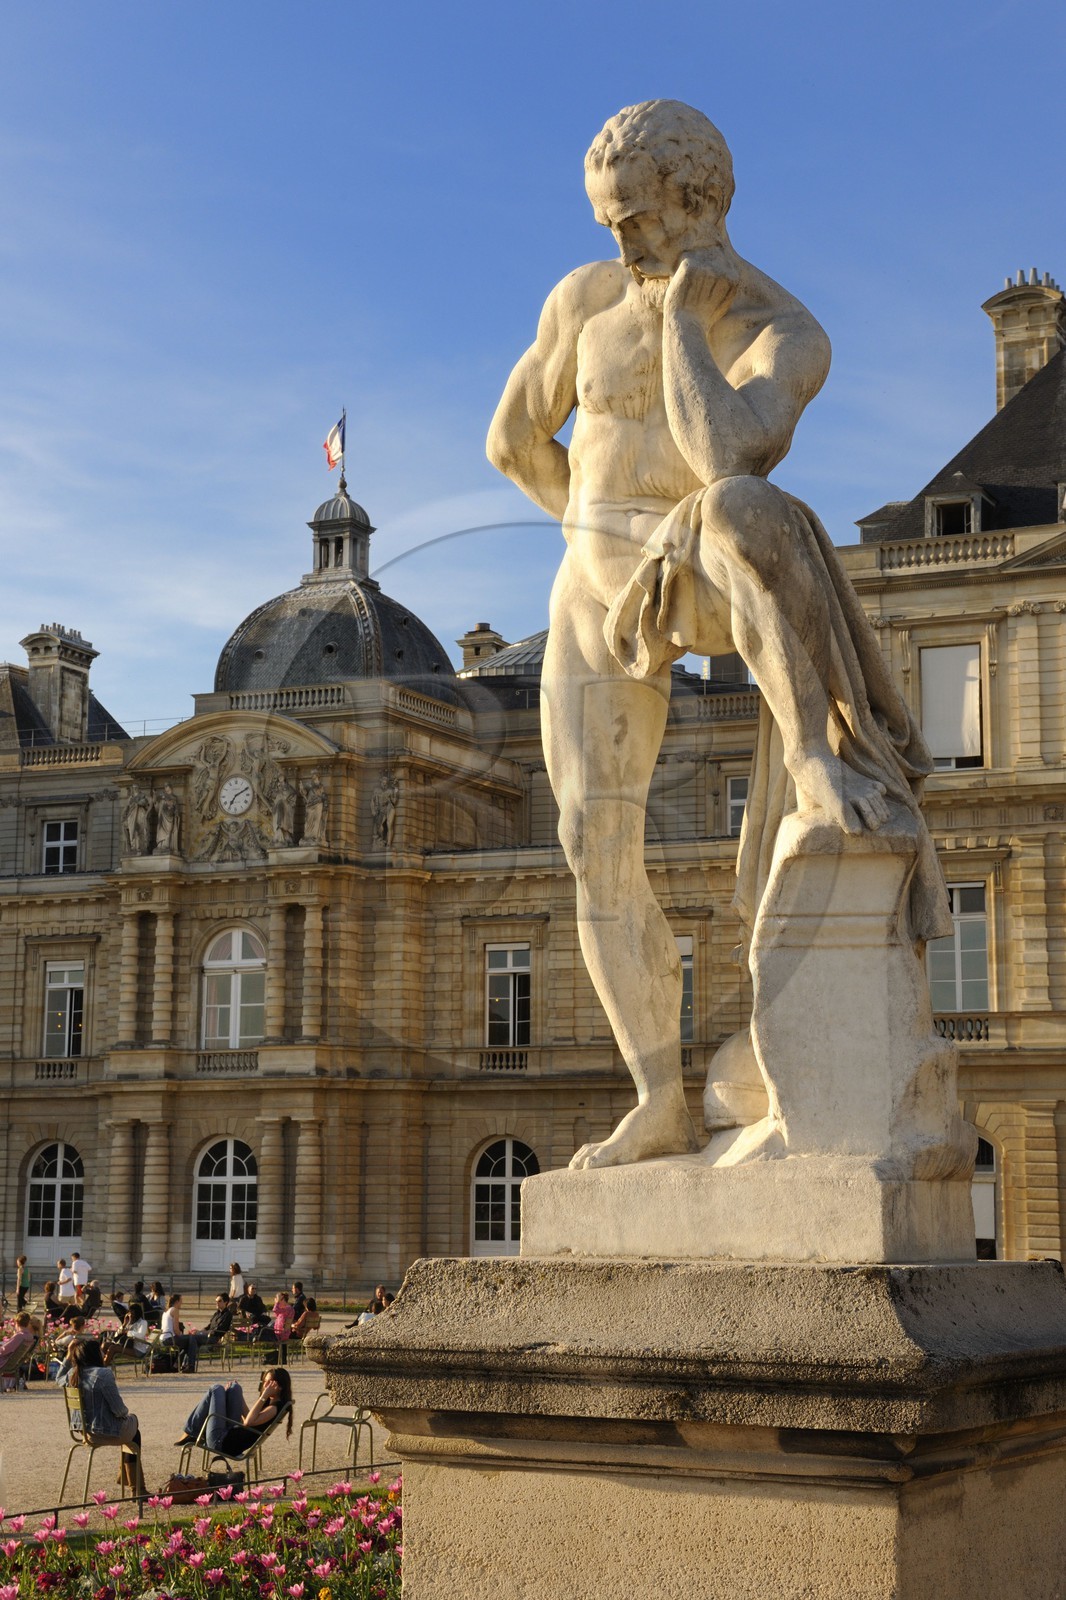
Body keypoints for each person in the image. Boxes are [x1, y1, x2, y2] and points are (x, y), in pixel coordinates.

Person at [487, 98, 950, 1172]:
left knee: (746, 513)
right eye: (607, 220)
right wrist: (597, 539)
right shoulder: (583, 298)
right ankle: (659, 1096)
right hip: (593, 586)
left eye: (639, 220)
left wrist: (685, 329)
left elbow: (733, 453)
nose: (621, 243)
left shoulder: (784, 329)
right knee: (589, 844)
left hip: (705, 562)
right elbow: (513, 438)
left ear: (700, 201)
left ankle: (813, 756)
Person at [63, 1337, 145, 1494]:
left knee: (131, 1431)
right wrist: (127, 1415)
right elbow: (119, 1410)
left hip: (84, 1432)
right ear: (95, 1354)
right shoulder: (103, 1374)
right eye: (101, 1350)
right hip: (105, 1432)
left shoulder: (73, 1374)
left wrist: (69, 1353)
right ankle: (137, 1488)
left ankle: (127, 1478)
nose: (103, 1352)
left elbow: (58, 1377)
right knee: (134, 1428)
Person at [175, 1367, 292, 1455]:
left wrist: (263, 1396)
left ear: (280, 1386)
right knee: (235, 1388)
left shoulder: (274, 1408)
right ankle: (193, 1432)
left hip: (221, 1442)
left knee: (216, 1389)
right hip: (230, 1434)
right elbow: (248, 1418)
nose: (265, 1385)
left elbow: (248, 1422)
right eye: (264, 1381)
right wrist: (237, 1397)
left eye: (269, 1382)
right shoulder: (269, 1403)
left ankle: (190, 1432)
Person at [160, 1293, 203, 1373]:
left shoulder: (166, 1311)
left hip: (163, 1338)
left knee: (189, 1342)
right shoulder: (175, 1310)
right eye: (181, 1301)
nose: (181, 1303)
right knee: (192, 1338)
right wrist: (182, 1334)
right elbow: (176, 1330)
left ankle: (177, 1365)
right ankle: (190, 1365)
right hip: (170, 1338)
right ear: (177, 1301)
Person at [0, 1312, 36, 1389]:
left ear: (17, 1322)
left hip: (4, 1362)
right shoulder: (29, 1336)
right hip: (12, 1362)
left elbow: (4, 1351)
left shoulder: (19, 1336)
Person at [270, 1291, 294, 1365]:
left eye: (278, 1300)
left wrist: (277, 1302)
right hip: (280, 1332)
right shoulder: (285, 1309)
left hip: (281, 1334)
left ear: (282, 1300)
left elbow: (275, 1310)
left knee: (263, 1333)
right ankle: (281, 1358)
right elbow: (276, 1313)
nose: (276, 1301)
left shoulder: (287, 1308)